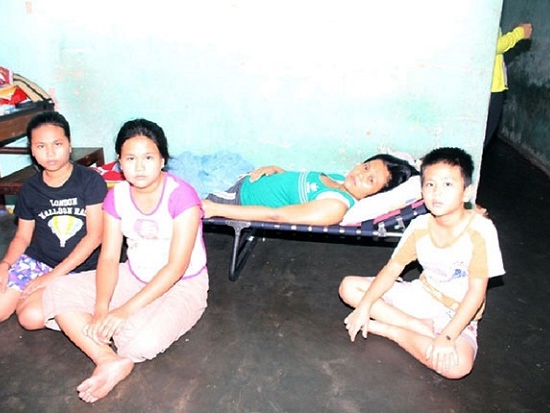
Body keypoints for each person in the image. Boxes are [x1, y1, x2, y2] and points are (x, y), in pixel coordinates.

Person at [42, 118, 209, 403]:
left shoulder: (182, 197)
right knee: (57, 290)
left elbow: (176, 267)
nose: (140, 166)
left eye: (148, 157)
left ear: (162, 161)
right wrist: (101, 307)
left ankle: (116, 347)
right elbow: (108, 256)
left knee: (136, 342)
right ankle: (107, 359)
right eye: (131, 158)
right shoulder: (116, 196)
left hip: (182, 286)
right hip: (133, 275)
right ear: (119, 162)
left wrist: (123, 311)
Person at [339, 147, 504, 379]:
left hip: (457, 313)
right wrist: (365, 305)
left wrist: (447, 337)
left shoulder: (481, 231)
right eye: (430, 184)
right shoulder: (419, 227)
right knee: (349, 288)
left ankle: (392, 331)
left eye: (448, 185)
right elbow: (392, 270)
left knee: (457, 367)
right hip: (421, 296)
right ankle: (417, 328)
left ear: (466, 193)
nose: (437, 193)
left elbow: (476, 293)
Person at [0, 111, 107, 330]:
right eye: (41, 146)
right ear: (32, 149)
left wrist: (52, 277)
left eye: (57, 143)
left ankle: (21, 297)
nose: (50, 153)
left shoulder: (90, 181)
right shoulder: (30, 188)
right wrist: (3, 267)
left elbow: (95, 236)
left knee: (32, 317)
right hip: (38, 262)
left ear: (69, 144)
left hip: (78, 269)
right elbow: (22, 236)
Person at [203, 154, 418, 226]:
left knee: (174, 201)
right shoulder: (340, 181)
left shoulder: (334, 206)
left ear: (376, 195)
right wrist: (278, 171)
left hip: (236, 199)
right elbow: (296, 188)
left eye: (370, 180)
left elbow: (276, 215)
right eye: (365, 166)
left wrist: (216, 208)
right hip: (245, 178)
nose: (360, 174)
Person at [484, 22, 533, 147]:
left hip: (490, 87)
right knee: (481, 141)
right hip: (490, 89)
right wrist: (519, 33)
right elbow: (492, 46)